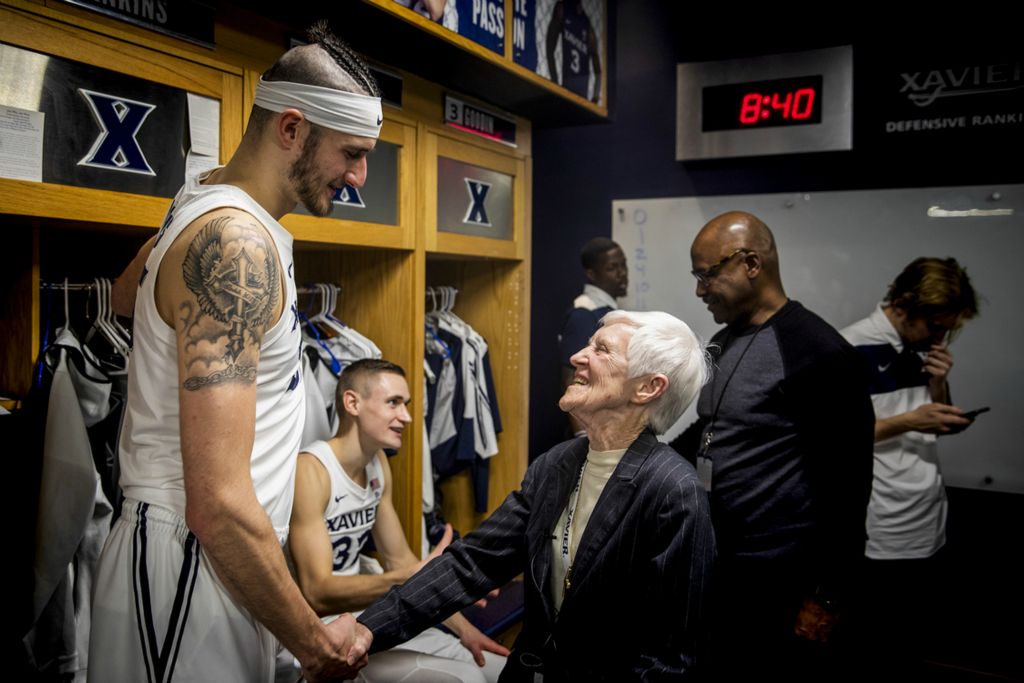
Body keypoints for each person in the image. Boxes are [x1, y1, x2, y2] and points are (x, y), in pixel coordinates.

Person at [89, 23, 382, 682]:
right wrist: (316, 641)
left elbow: (125, 297)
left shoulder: (208, 202)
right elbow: (217, 500)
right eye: (353, 153)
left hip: (217, 563)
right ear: (291, 130)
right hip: (189, 561)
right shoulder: (234, 239)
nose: (360, 176)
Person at [349, 310, 716, 681]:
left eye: (601, 350)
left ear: (648, 387)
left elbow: (669, 660)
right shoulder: (556, 464)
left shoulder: (673, 491)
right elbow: (472, 563)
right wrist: (366, 630)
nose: (577, 356)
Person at [669, 211, 874, 680]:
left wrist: (826, 596)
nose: (700, 290)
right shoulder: (723, 342)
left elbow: (849, 487)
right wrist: (635, 459)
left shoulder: (818, 353)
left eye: (707, 274)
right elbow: (710, 431)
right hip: (719, 563)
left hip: (779, 576)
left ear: (751, 264)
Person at [285, 358, 509, 682]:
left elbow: (398, 559)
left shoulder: (376, 462)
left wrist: (465, 630)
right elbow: (316, 590)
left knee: (501, 670)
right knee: (467, 679)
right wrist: (405, 578)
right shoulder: (312, 470)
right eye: (393, 403)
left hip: (367, 617)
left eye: (405, 404)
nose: (406, 416)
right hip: (321, 632)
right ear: (352, 403)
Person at [839, 257, 979, 671]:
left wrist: (940, 389)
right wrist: (909, 421)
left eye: (948, 328)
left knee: (913, 648)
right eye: (936, 326)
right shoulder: (849, 347)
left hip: (929, 516)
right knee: (875, 650)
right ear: (902, 304)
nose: (942, 336)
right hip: (880, 526)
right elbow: (836, 439)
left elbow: (933, 423)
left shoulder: (925, 349)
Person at [557, 236, 627, 435]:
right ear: (592, 274)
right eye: (612, 268)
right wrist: (582, 436)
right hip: (591, 430)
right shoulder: (584, 313)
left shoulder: (607, 310)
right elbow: (571, 378)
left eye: (624, 265)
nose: (622, 274)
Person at [545, 0, 602, 103]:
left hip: (581, 95)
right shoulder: (562, 9)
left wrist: (596, 96)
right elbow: (550, 50)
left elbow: (597, 67)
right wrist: (555, 83)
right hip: (568, 89)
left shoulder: (586, 24)